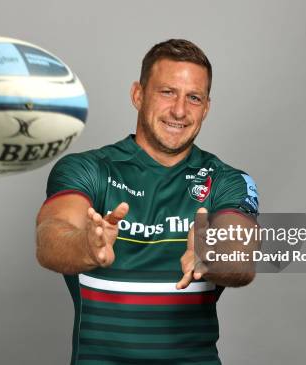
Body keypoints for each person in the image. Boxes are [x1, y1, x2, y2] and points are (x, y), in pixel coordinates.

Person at [36, 39, 260, 365]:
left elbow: (241, 258)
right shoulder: (88, 169)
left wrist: (211, 253)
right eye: (167, 92)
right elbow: (50, 236)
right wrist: (86, 245)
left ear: (206, 108)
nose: (180, 111)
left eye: (193, 98)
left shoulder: (229, 181)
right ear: (138, 95)